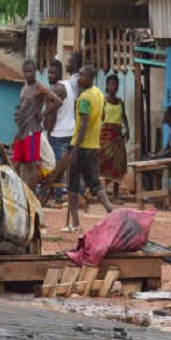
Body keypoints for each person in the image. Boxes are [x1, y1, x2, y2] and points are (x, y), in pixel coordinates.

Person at [67, 65, 113, 232]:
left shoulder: (84, 99)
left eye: (82, 76)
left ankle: (75, 224)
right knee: (95, 184)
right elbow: (102, 116)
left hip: (80, 146)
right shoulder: (99, 94)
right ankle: (110, 211)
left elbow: (83, 124)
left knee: (72, 187)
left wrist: (74, 150)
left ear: (89, 78)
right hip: (94, 145)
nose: (79, 78)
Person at [12, 59, 62, 190]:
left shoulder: (39, 87)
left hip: (32, 130)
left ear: (35, 71)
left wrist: (43, 114)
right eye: (25, 72)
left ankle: (31, 196)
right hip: (22, 130)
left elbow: (57, 101)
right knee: (16, 163)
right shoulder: (24, 88)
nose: (28, 74)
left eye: (30, 71)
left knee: (31, 165)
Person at [44, 59, 76, 201]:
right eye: (49, 73)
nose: (49, 76)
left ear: (59, 74)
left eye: (53, 73)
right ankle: (64, 192)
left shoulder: (56, 90)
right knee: (66, 166)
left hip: (58, 133)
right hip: (70, 131)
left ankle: (58, 195)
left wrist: (48, 132)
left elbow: (51, 115)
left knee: (56, 166)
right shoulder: (68, 86)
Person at [98, 74, 129, 201]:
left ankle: (116, 195)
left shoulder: (120, 102)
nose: (114, 87)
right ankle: (100, 192)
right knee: (102, 163)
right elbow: (100, 118)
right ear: (107, 86)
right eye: (111, 84)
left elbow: (124, 117)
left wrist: (127, 130)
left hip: (118, 137)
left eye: (116, 85)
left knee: (118, 165)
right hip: (106, 137)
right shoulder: (104, 101)